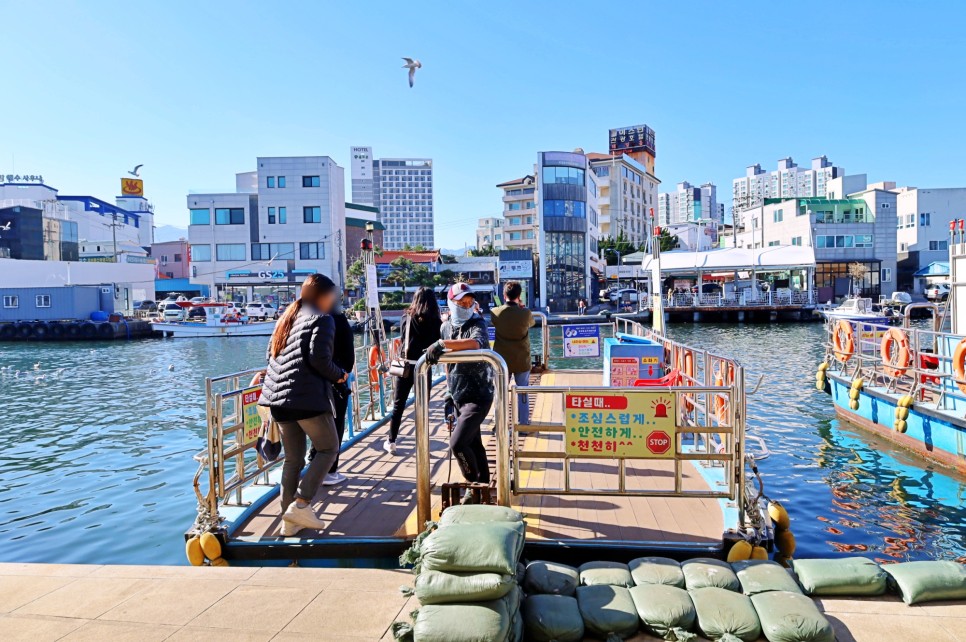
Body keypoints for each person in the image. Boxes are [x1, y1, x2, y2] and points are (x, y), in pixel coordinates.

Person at [257, 274, 348, 537]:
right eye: (333, 295)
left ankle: (289, 521)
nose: (335, 300)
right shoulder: (323, 319)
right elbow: (319, 360)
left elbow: (269, 356)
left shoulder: (286, 318)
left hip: (277, 400)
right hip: (305, 398)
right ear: (323, 295)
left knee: (293, 460)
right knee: (329, 448)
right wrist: (339, 375)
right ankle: (301, 503)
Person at [426, 283, 493, 496]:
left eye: (469, 302)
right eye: (461, 303)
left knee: (458, 443)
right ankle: (483, 484)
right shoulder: (445, 327)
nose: (466, 306)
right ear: (451, 303)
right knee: (473, 441)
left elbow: (475, 344)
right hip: (457, 393)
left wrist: (441, 344)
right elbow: (447, 363)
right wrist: (448, 391)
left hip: (479, 394)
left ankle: (471, 484)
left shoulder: (477, 323)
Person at [385, 286, 442, 455]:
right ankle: (422, 442)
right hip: (424, 366)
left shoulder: (406, 318)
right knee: (422, 406)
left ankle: (391, 440)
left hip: (406, 366)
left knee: (398, 404)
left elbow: (403, 340)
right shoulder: (436, 321)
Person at [307, 298, 355, 485]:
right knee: (335, 424)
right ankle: (330, 470)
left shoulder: (306, 318)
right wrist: (342, 374)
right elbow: (349, 356)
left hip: (310, 383)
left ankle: (313, 460)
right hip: (335, 381)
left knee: (314, 425)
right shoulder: (338, 320)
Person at [490, 281, 534, 425]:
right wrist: (521, 307)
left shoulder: (495, 312)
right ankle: (523, 424)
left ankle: (500, 424)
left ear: (504, 295)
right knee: (522, 393)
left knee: (500, 393)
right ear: (519, 295)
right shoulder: (525, 313)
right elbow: (531, 323)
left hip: (501, 360)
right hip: (522, 359)